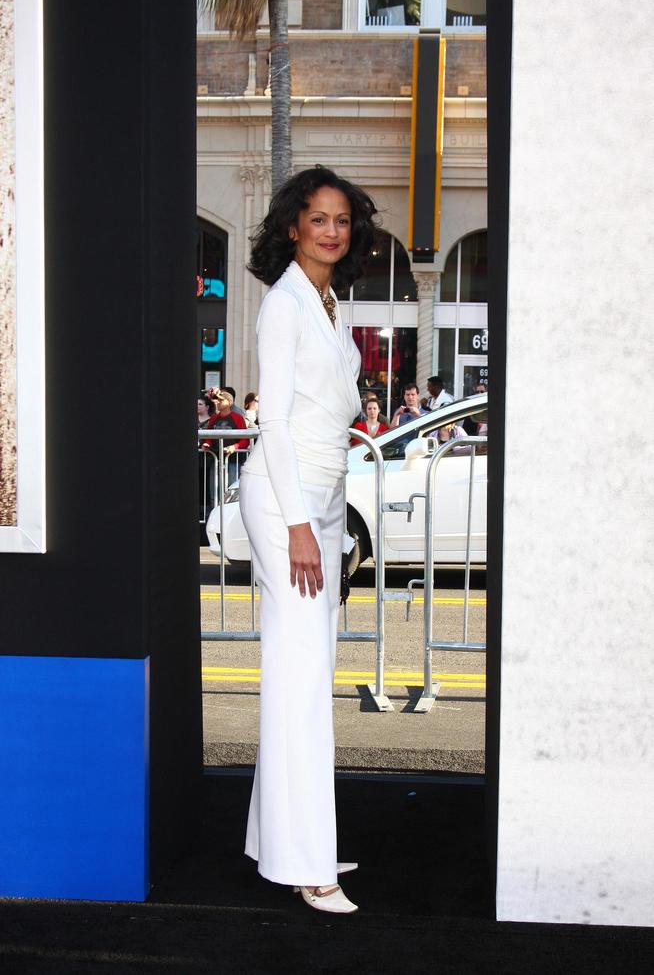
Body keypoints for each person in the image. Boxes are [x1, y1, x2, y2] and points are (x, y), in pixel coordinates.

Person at [238, 165, 377, 915]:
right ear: (293, 225)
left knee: (305, 671)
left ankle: (282, 838)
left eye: (342, 220)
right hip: (285, 502)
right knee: (298, 681)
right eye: (318, 218)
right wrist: (296, 523)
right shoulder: (285, 304)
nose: (331, 230)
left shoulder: (329, 301)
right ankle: (305, 863)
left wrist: (319, 515)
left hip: (321, 501)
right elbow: (277, 423)